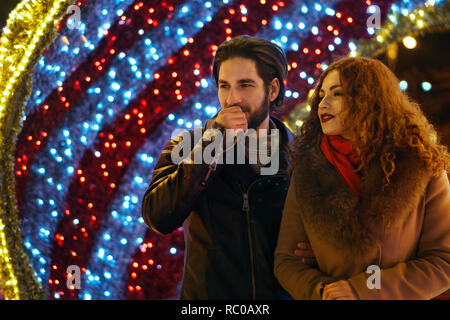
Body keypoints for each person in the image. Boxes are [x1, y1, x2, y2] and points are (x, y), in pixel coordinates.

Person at [274, 56, 450, 300]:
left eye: (337, 94)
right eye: (321, 94)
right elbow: (286, 262)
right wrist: (323, 291)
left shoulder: (422, 165)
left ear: (368, 99)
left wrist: (363, 289)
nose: (322, 103)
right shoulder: (307, 170)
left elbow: (444, 261)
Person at [142, 35, 295, 299]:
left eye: (245, 85)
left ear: (272, 90)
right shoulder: (187, 144)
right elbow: (158, 216)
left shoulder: (301, 153)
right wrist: (212, 143)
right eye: (224, 86)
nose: (232, 99)